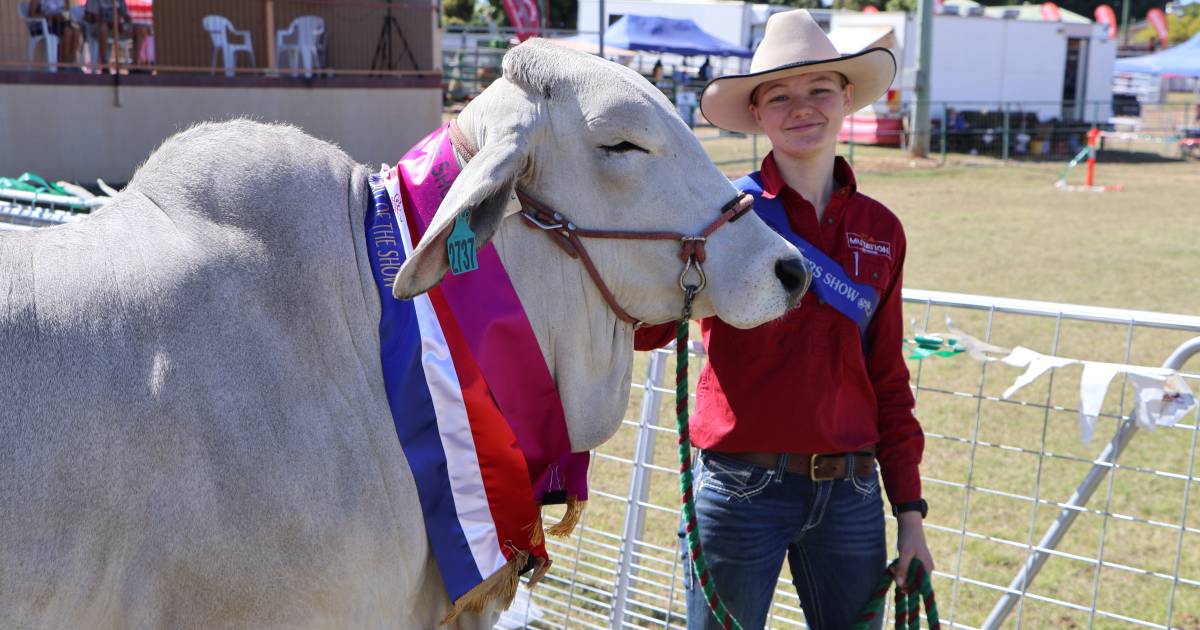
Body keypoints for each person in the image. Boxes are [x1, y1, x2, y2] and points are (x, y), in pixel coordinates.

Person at [634, 9, 933, 630]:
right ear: (760, 114)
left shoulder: (881, 231)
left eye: (819, 90)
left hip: (852, 492)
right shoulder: (720, 214)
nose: (803, 108)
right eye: (780, 96)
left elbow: (887, 374)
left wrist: (909, 512)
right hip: (741, 488)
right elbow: (649, 329)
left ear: (846, 98)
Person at [85, 0, 148, 71]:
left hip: (118, 28)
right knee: (103, 28)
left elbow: (126, 16)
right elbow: (92, 17)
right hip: (99, 29)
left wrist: (126, 23)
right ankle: (105, 66)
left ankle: (135, 65)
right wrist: (110, 23)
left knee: (141, 29)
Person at [29, 0, 83, 68]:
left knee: (76, 32)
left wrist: (64, 17)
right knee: (67, 32)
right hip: (45, 25)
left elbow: (67, 13)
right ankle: (62, 65)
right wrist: (51, 16)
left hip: (61, 23)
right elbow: (31, 14)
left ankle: (71, 62)